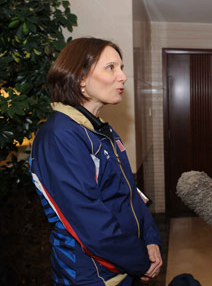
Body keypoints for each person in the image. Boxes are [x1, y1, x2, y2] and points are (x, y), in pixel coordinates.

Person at [30, 38, 162, 285]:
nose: (123, 76)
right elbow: (90, 223)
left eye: (121, 68)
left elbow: (130, 193)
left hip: (125, 265)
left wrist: (150, 238)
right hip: (93, 275)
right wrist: (141, 261)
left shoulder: (100, 130)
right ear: (80, 78)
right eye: (111, 67)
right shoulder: (60, 136)